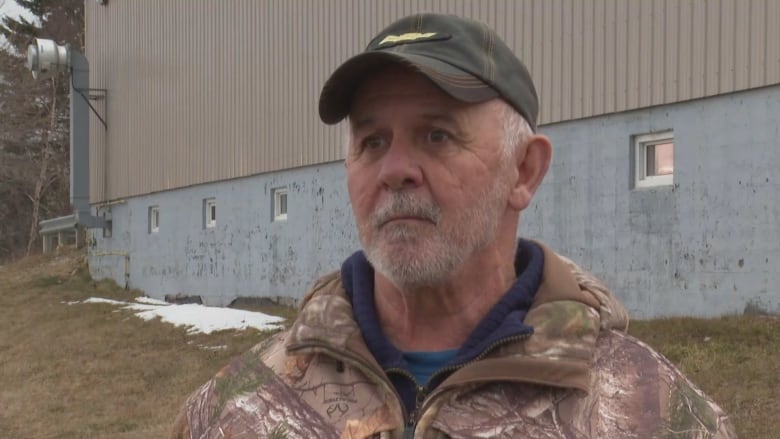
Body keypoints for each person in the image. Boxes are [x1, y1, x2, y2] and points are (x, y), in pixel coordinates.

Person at [171, 13, 735, 439]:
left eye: (436, 135)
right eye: (372, 141)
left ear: (525, 170)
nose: (394, 171)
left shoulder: (650, 412)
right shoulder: (238, 407)